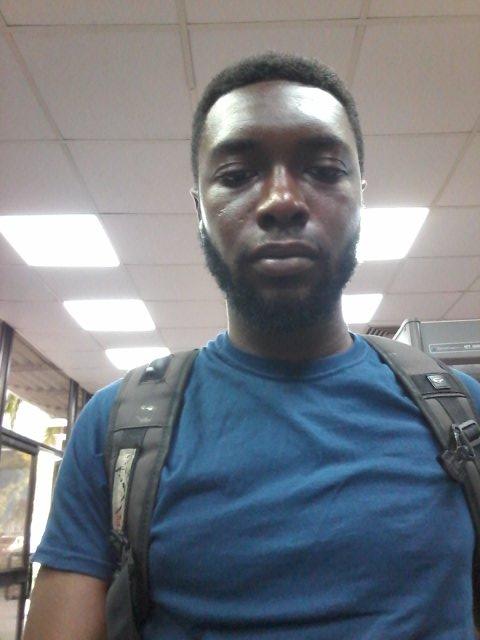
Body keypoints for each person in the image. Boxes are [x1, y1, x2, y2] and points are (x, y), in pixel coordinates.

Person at [24, 52, 480, 640]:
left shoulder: (462, 415)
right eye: (238, 175)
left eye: (323, 169)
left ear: (361, 198)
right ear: (199, 208)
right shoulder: (116, 429)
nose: (282, 200)